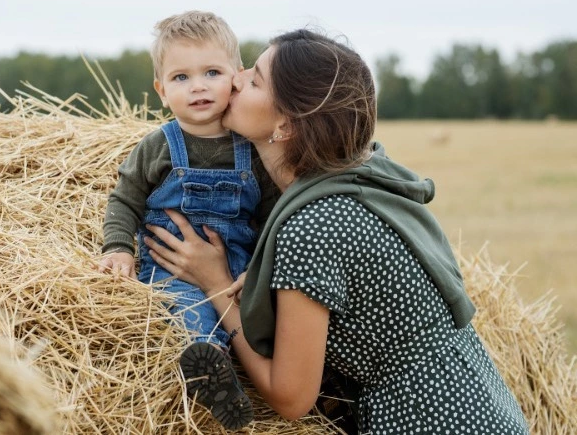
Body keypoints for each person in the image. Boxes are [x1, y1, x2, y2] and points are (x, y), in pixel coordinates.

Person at [143, 28, 530, 434]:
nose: (236, 76)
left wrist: (215, 284)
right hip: (483, 407)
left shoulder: (313, 226)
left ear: (287, 125)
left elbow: (291, 397)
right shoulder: (358, 181)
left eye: (255, 79)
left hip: (426, 420)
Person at [97, 10, 279, 430]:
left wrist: (257, 268)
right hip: (173, 270)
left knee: (265, 321)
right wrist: (119, 248)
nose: (197, 86)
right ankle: (213, 372)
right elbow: (124, 199)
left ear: (236, 77)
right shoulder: (157, 145)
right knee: (189, 315)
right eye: (180, 78)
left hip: (238, 269)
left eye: (211, 72)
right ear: (161, 90)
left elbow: (271, 217)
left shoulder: (251, 147)